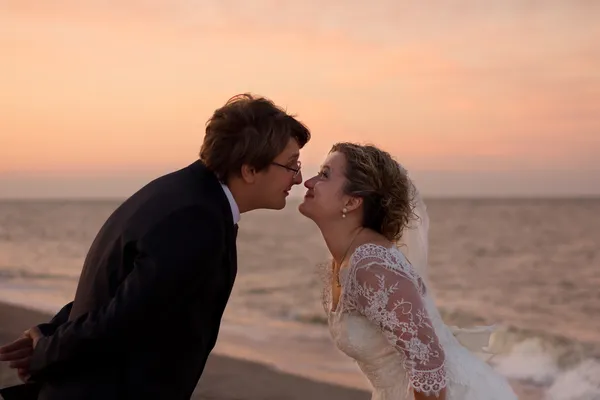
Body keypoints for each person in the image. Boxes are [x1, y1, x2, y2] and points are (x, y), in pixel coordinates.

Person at [0, 93, 310, 400]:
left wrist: (52, 333)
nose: (297, 179)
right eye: (291, 165)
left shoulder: (180, 193)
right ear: (250, 170)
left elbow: (127, 291)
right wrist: (45, 351)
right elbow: (123, 319)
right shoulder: (196, 217)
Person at [298, 142, 517, 400]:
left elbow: (429, 362)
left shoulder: (372, 267)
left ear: (353, 200)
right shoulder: (342, 262)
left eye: (324, 175)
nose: (308, 182)